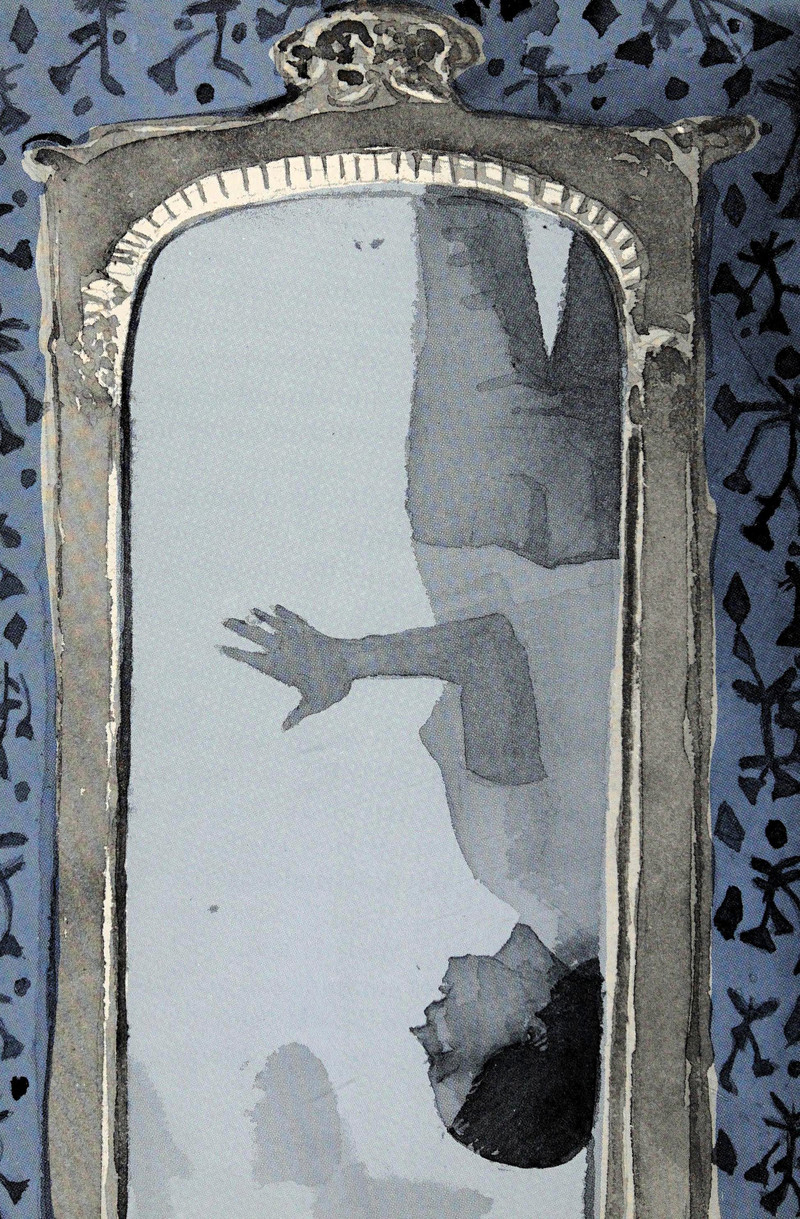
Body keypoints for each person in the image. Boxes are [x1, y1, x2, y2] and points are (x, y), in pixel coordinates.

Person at [222, 188, 623, 1169]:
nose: (420, 1027)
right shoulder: (513, 864)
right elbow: (488, 648)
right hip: (485, 509)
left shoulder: (620, 890)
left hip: (607, 522)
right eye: (445, 1053)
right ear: (532, 1032)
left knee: (617, 208)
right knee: (465, 188)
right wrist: (345, 662)